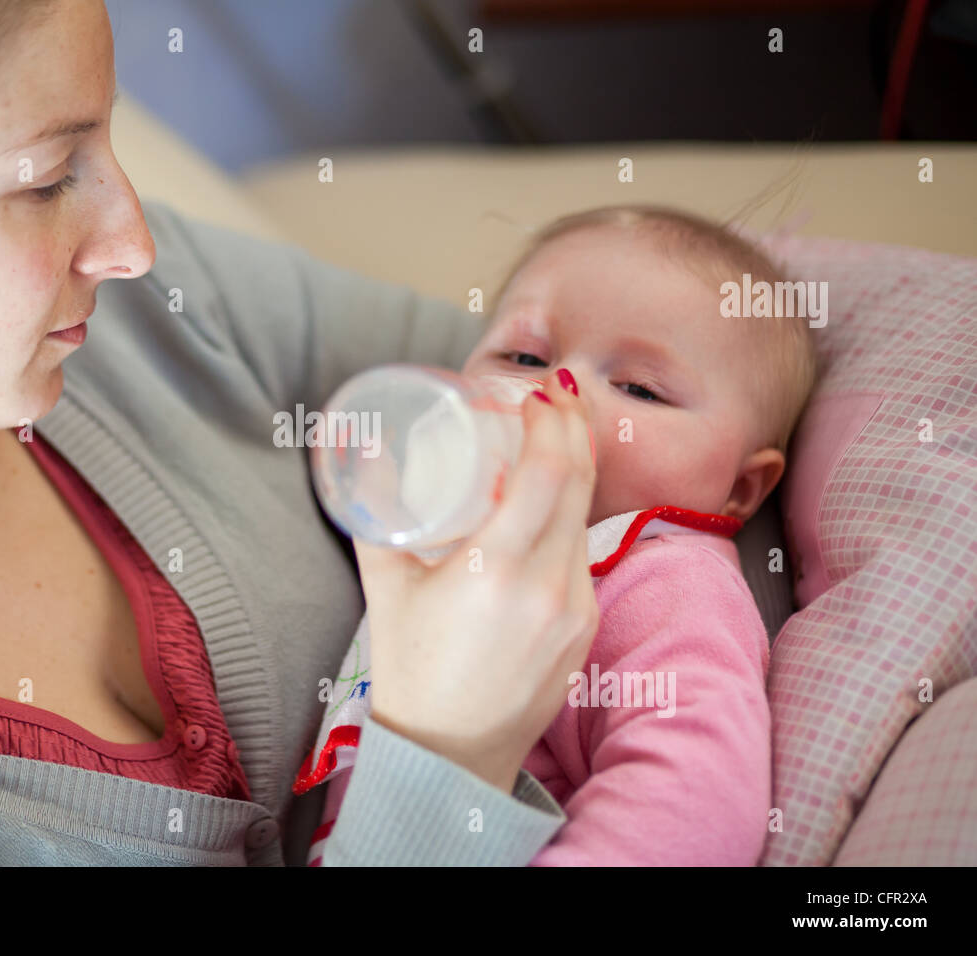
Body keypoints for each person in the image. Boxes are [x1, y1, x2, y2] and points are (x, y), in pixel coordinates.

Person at [0, 0, 597, 865]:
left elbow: (622, 389)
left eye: (109, 139)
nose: (134, 244)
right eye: (45, 182)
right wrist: (444, 760)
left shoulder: (150, 316)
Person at [297, 205, 817, 865]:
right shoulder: (446, 525)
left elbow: (692, 797)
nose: (554, 392)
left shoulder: (659, 583)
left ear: (740, 489)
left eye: (639, 389)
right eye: (523, 355)